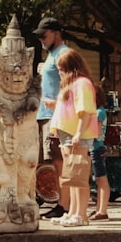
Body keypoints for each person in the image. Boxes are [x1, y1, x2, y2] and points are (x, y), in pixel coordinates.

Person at [50, 49, 99, 227]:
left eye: (62, 68)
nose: (60, 72)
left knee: (79, 175)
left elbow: (85, 111)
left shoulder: (82, 83)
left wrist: (78, 133)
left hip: (77, 134)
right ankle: (72, 212)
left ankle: (81, 214)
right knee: (71, 175)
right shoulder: (70, 85)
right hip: (67, 134)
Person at [33, 17, 71, 219]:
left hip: (56, 114)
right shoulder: (51, 55)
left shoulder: (64, 54)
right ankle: (61, 202)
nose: (41, 39)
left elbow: (69, 83)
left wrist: (59, 104)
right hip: (47, 114)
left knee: (60, 161)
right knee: (53, 163)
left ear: (56, 33)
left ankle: (64, 205)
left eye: (44, 35)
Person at [89, 97, 111, 220]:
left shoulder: (99, 112)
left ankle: (102, 210)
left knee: (101, 179)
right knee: (98, 180)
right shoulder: (99, 111)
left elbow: (96, 133)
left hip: (96, 148)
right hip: (95, 148)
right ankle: (99, 208)